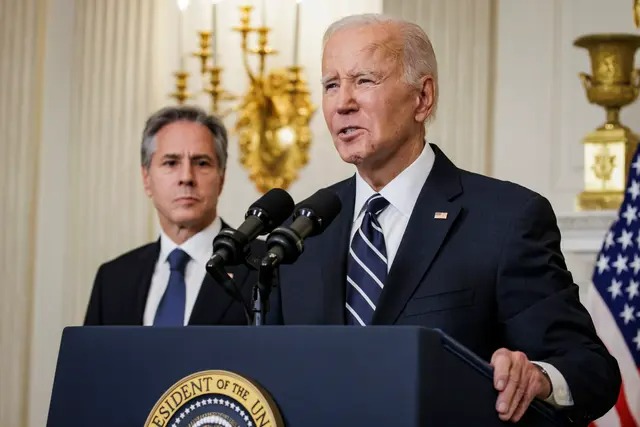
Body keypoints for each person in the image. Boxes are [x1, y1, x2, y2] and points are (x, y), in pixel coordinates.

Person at [268, 13, 621, 424]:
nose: (343, 102)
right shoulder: (301, 229)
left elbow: (590, 368)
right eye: (331, 84)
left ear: (423, 98)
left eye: (364, 80)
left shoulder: (506, 219)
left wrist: (539, 377)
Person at [84, 105, 259, 326]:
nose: (186, 177)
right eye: (171, 163)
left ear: (221, 178)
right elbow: (92, 361)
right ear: (146, 178)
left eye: (201, 163)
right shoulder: (113, 279)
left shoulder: (263, 266)